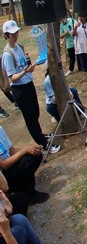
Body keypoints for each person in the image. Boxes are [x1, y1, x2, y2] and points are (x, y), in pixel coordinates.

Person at [1, 21, 59, 153]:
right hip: (20, 89)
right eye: (12, 34)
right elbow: (12, 78)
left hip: (29, 84)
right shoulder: (7, 55)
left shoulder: (19, 46)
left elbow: (24, 65)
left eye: (16, 32)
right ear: (6, 35)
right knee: (30, 118)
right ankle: (44, 145)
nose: (15, 35)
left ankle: (40, 135)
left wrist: (29, 69)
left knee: (35, 112)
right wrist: (24, 72)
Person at [0, 126, 50, 205]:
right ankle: (30, 194)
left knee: (35, 154)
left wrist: (31, 148)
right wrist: (24, 150)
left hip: (9, 168)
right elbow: (4, 165)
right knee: (27, 161)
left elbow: (12, 151)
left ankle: (21, 188)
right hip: (2, 179)